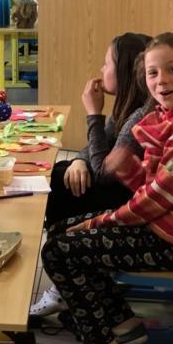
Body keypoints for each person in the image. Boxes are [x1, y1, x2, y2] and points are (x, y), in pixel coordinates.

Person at [40, 33, 173, 344]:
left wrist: (96, 223)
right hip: (162, 229)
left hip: (172, 244)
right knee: (63, 232)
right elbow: (139, 178)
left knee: (59, 249)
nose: (162, 81)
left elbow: (151, 201)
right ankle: (125, 327)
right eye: (153, 73)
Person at [29, 32, 150, 321]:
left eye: (107, 64)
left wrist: (93, 114)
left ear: (125, 72)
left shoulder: (138, 116)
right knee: (62, 172)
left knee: (58, 185)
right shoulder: (127, 105)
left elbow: (103, 174)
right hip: (122, 191)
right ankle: (66, 280)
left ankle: (66, 281)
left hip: (129, 204)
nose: (101, 70)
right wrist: (78, 161)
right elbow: (98, 147)